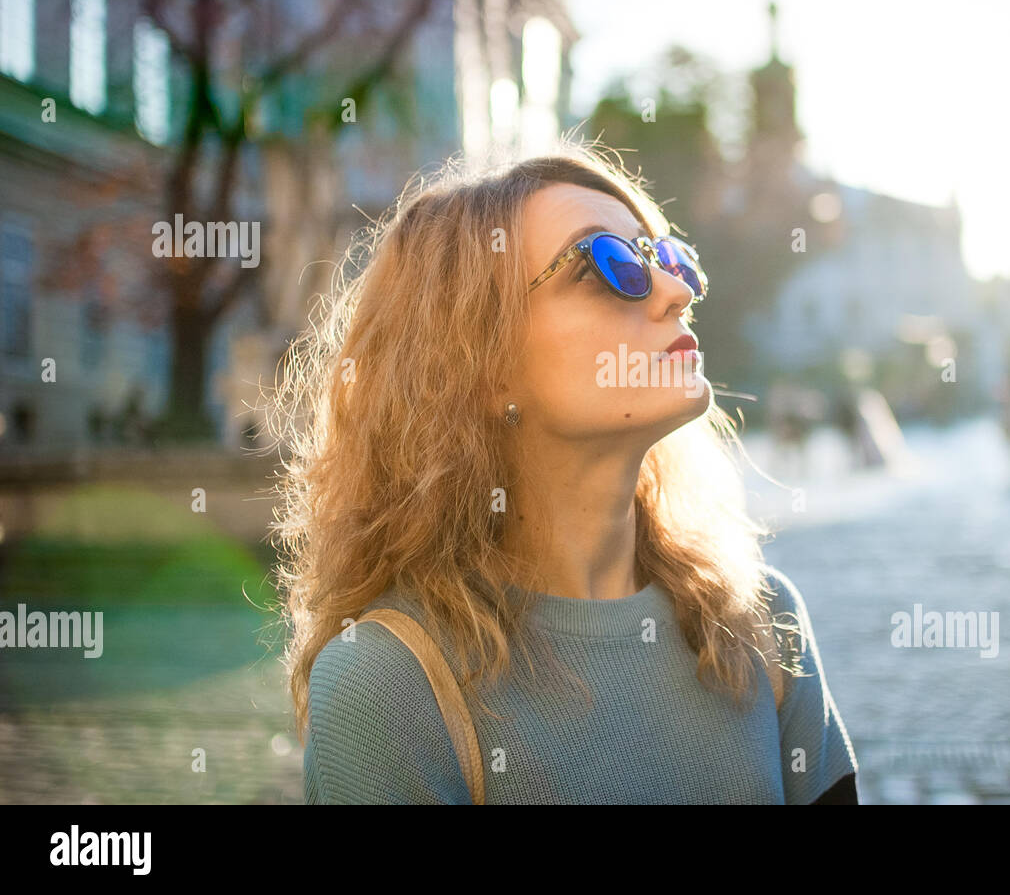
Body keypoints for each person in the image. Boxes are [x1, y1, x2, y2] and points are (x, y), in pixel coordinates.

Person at [268, 141, 859, 804]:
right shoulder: (387, 683)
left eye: (667, 258)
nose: (675, 290)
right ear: (479, 366)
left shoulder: (760, 619)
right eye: (604, 266)